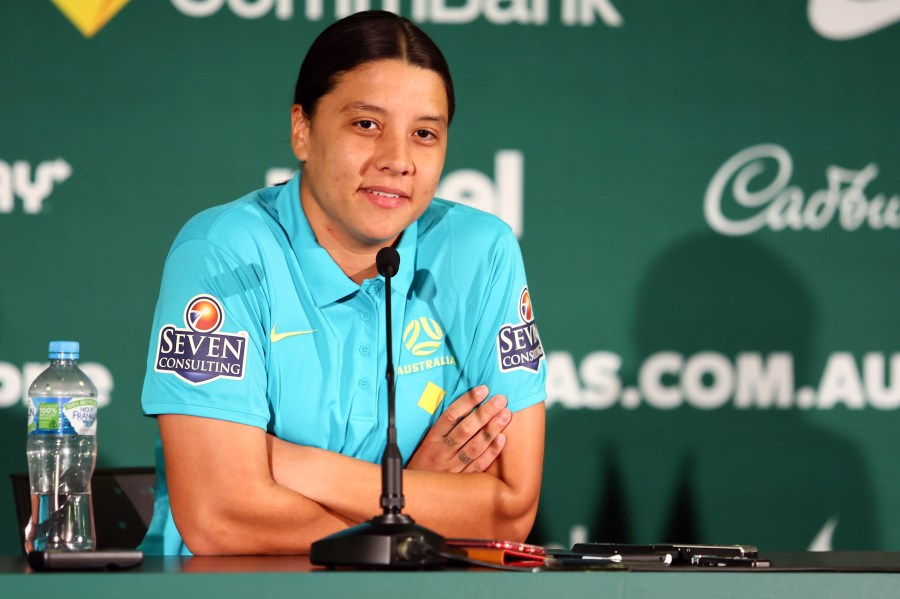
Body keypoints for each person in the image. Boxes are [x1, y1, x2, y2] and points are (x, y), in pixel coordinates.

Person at [140, 10, 547, 556]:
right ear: (302, 130)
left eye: (424, 134)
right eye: (367, 125)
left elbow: (508, 511)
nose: (398, 160)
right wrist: (405, 504)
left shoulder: (480, 251)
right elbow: (220, 521)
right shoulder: (222, 251)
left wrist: (301, 467)